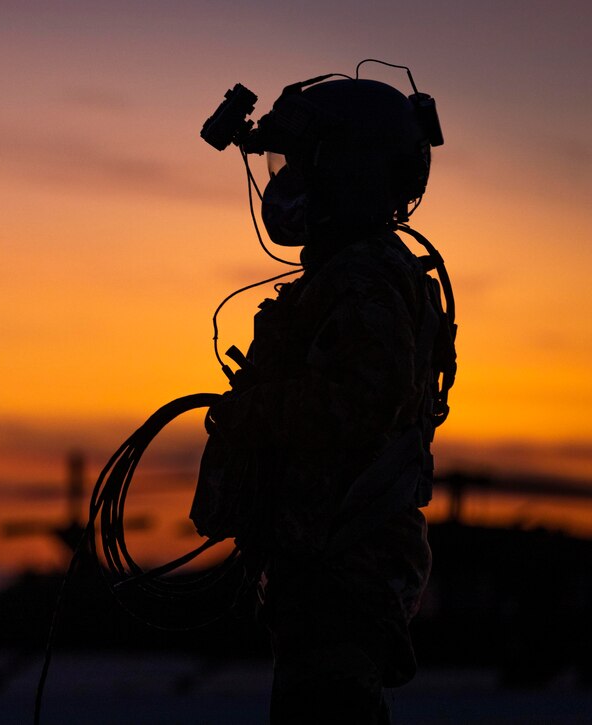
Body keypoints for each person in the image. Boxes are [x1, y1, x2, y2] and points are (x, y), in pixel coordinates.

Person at [193, 76, 455, 724]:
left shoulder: (366, 277)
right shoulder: (348, 273)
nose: (281, 185)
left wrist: (250, 412)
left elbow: (363, 405)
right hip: (324, 577)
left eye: (296, 167)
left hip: (345, 579)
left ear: (348, 176)